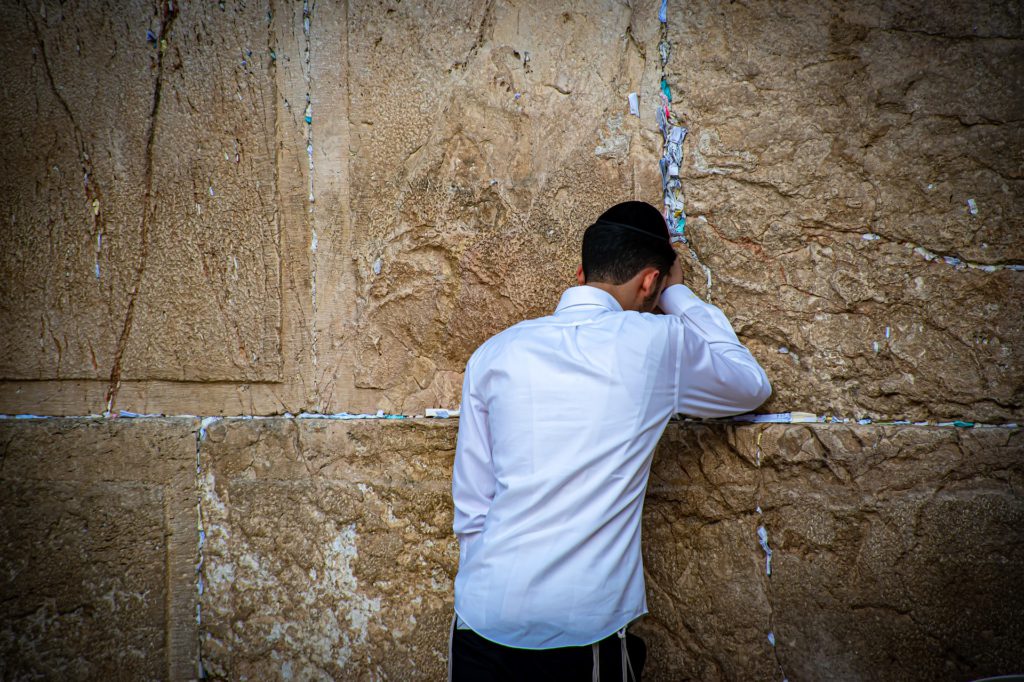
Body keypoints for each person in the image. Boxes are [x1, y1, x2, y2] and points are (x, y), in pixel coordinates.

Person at [449, 201, 771, 681]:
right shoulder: (658, 342)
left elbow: (473, 508)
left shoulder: (496, 352)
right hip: (581, 630)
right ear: (649, 283)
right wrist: (679, 295)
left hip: (480, 618)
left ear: (581, 272)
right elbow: (750, 385)